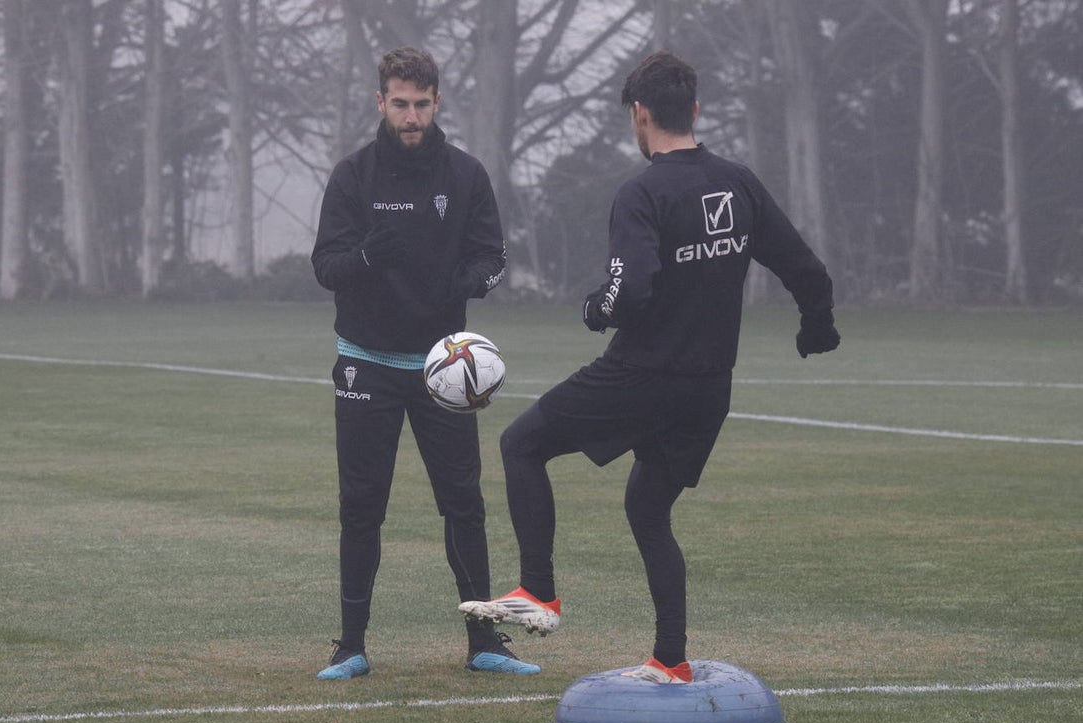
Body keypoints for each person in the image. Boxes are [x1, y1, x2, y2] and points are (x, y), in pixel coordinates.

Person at [460, 51, 840, 683]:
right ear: (694, 110)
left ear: (640, 114)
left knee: (521, 444)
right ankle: (671, 658)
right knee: (647, 507)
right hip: (708, 389)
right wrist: (817, 324)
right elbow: (805, 267)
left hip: (642, 375)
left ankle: (537, 592)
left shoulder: (642, 193)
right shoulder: (739, 183)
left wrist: (595, 309)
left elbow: (629, 291)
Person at [311, 47, 537, 679]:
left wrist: (466, 282)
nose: (410, 117)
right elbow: (325, 265)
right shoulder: (353, 176)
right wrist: (366, 257)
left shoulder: (465, 175)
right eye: (399, 104)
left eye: (421, 104)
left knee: (463, 503)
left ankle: (485, 642)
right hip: (365, 363)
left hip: (444, 368)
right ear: (380, 102)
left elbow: (493, 256)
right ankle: (351, 646)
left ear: (437, 103)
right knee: (361, 506)